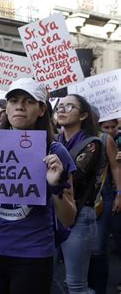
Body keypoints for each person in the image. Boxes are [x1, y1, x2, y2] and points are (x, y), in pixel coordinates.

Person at [0, 78, 77, 294]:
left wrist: (55, 187)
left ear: (41, 109)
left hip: (33, 255)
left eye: (28, 101)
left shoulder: (55, 152)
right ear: (6, 107)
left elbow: (69, 218)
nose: (19, 106)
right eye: (13, 100)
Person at [56, 94, 104, 293]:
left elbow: (71, 175)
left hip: (79, 217)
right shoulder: (55, 141)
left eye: (69, 107)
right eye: (59, 106)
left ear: (83, 115)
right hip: (53, 215)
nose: (61, 109)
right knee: (44, 277)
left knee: (76, 284)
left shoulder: (93, 143)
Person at [88, 118, 121, 294]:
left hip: (104, 195)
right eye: (106, 127)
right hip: (80, 200)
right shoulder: (65, 138)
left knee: (99, 246)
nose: (110, 130)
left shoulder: (104, 139)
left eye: (113, 127)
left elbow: (116, 168)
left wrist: (119, 195)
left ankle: (98, 288)